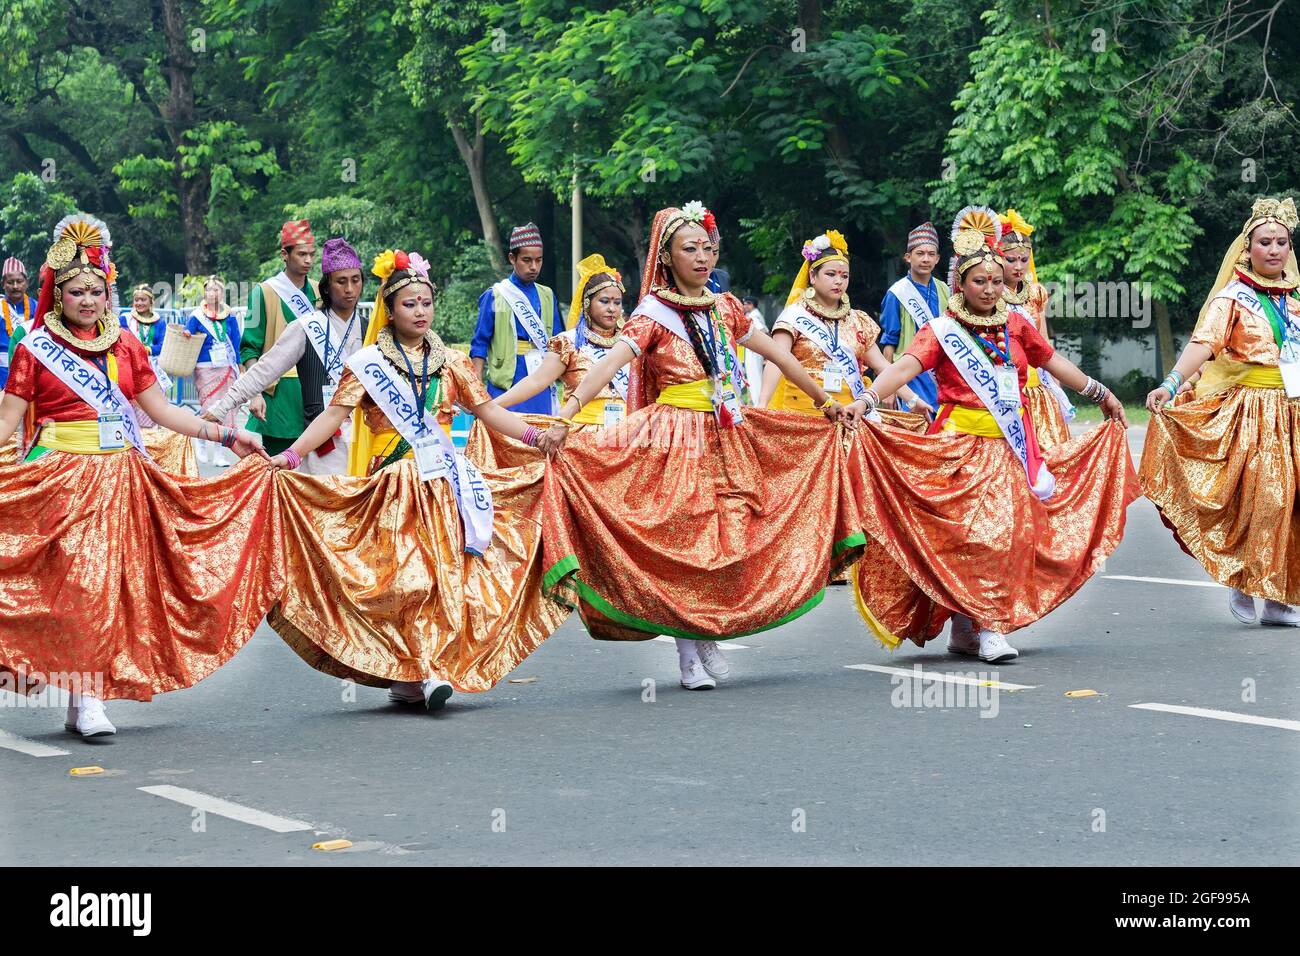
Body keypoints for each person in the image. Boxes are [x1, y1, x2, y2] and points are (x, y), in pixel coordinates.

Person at [539, 202, 863, 691]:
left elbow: (780, 353)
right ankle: (689, 649)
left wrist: (824, 402)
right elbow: (607, 367)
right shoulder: (652, 315)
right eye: (689, 248)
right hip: (675, 437)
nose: (702, 257)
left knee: (734, 532)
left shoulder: (727, 308)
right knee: (684, 540)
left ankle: (707, 625)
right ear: (666, 257)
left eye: (707, 248)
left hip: (728, 432)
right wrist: (565, 415)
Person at [0, 215, 273, 738]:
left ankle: (86, 697)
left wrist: (226, 435)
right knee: (80, 585)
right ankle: (87, 693)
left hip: (120, 477)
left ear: (108, 293)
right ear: (57, 294)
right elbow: (9, 422)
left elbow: (165, 412)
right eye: (75, 290)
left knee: (109, 586)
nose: (86, 300)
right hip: (60, 477)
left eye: (96, 291)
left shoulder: (125, 345)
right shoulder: (32, 350)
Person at [262, 249, 566, 711]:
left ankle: (419, 672)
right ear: (390, 308)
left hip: (444, 485)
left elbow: (487, 412)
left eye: (426, 303)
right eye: (409, 304)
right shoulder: (367, 363)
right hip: (394, 486)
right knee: (407, 578)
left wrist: (533, 436)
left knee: (443, 577)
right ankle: (416, 670)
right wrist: (290, 454)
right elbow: (333, 416)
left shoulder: (453, 363)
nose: (420, 311)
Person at [846, 205, 1137, 662]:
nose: (989, 289)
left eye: (997, 281)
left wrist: (1099, 392)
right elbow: (904, 366)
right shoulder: (942, 329)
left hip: (1011, 448)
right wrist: (865, 399)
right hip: (959, 448)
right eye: (979, 281)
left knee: (1006, 536)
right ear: (959, 282)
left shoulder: (1017, 324)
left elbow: (1051, 362)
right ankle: (968, 624)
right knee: (967, 538)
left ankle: (990, 625)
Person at [1141, 196, 1300, 627]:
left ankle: (1282, 596)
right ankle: (1245, 582)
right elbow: (1203, 345)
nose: (1273, 249)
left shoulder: (1297, 298)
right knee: (1266, 500)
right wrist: (1171, 383)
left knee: (1294, 505)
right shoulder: (1233, 298)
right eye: (1264, 241)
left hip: (1295, 412)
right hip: (1255, 414)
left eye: (1281, 242)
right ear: (1247, 248)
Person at [203, 237, 366, 475]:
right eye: (341, 282)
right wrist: (222, 407)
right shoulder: (307, 327)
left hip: (364, 445)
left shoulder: (370, 329)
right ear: (327, 286)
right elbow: (264, 370)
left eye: (356, 280)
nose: (349, 289)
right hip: (321, 448)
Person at [759, 229, 930, 418]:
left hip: (849, 417)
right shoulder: (793, 317)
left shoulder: (858, 320)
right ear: (813, 277)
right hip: (804, 419)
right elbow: (776, 361)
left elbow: (883, 366)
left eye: (844, 276)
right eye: (831, 274)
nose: (838, 281)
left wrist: (912, 400)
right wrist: (762, 404)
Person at [470, 222, 564, 414]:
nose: (533, 267)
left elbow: (558, 342)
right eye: (527, 260)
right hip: (505, 381)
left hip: (541, 378)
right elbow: (479, 345)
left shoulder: (547, 295)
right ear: (512, 258)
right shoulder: (496, 295)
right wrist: (475, 387)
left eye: (539, 260)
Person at [240, 219, 316, 456]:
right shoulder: (262, 292)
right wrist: (255, 392)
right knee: (280, 471)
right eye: (302, 254)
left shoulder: (319, 291)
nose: (309, 261)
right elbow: (249, 348)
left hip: (315, 391)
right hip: (279, 393)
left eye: (312, 254)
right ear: (285, 254)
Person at [1000, 209, 1074, 448]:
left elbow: (1043, 341)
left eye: (1024, 259)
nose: (1019, 266)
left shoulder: (1035, 293)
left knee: (1049, 451)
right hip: (1005, 383)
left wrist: (1054, 377)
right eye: (1011, 259)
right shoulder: (987, 294)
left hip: (1038, 384)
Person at [878, 222, 947, 411]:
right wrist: (890, 387)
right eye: (920, 253)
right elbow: (889, 341)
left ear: (938, 258)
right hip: (909, 374)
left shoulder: (944, 289)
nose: (926, 259)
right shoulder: (897, 293)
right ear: (908, 257)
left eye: (931, 254)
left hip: (939, 372)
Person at [1, 256, 36, 391]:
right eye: (10, 282)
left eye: (19, 281)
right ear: (3, 283)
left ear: (26, 282)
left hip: (30, 373)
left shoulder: (37, 308)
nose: (15, 286)